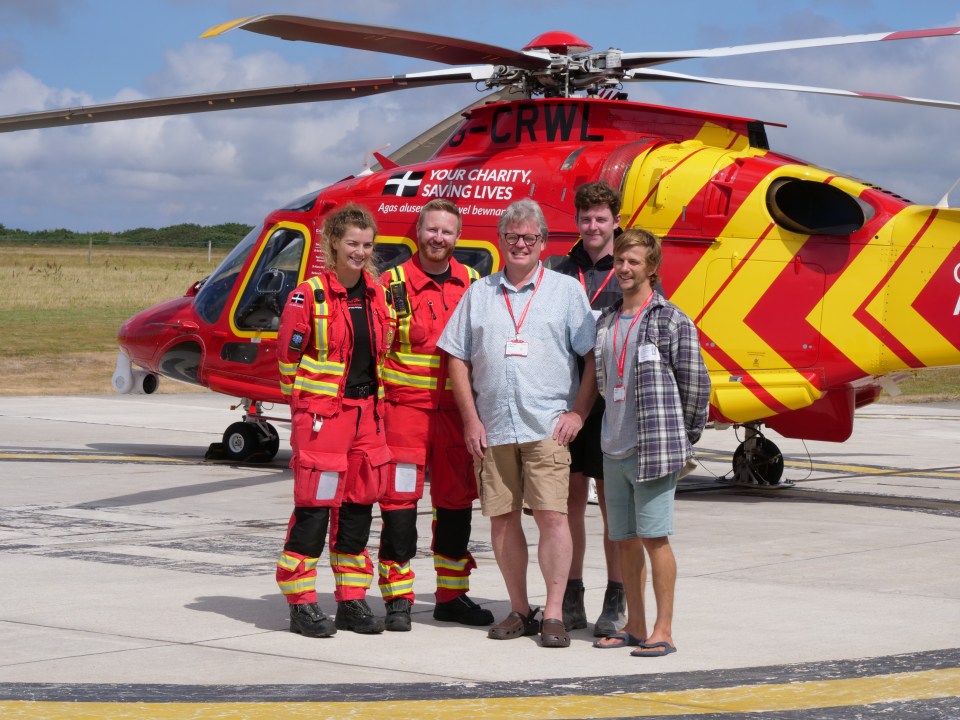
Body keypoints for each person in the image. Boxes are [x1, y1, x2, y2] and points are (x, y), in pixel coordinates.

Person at [438, 198, 597, 649]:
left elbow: (591, 358)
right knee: (503, 521)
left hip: (546, 426)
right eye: (513, 238)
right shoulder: (479, 293)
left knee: (553, 516)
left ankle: (552, 613)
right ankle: (519, 609)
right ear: (501, 241)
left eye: (530, 237)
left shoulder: (566, 291)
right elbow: (456, 358)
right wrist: (471, 420)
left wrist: (578, 414)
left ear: (543, 243)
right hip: (494, 428)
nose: (521, 244)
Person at [274, 203, 398, 638]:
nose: (360, 252)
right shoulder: (308, 295)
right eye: (352, 243)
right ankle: (302, 603)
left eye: (367, 244)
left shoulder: (379, 293)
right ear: (332, 244)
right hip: (325, 418)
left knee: (360, 507)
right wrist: (310, 408)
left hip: (368, 416)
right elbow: (287, 361)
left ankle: (350, 600)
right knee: (314, 509)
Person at [591, 228, 710, 656]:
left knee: (655, 538)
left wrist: (680, 438)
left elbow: (696, 386)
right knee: (623, 539)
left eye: (633, 262)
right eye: (620, 261)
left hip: (653, 448)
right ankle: (636, 625)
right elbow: (606, 383)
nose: (623, 268)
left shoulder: (670, 319)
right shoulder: (606, 320)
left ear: (652, 268)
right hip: (613, 446)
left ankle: (664, 629)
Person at [376, 198, 494, 631]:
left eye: (446, 231)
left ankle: (451, 595)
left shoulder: (475, 284)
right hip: (404, 415)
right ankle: (398, 598)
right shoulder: (390, 284)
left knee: (456, 505)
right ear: (418, 232)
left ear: (457, 237)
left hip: (456, 417)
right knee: (400, 505)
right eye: (431, 230)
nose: (438, 238)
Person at [550, 181, 626, 637]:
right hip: (570, 403)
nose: (593, 226)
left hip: (612, 406)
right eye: (585, 219)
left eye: (601, 218)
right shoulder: (561, 270)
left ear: (615, 221)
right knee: (569, 503)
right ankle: (572, 593)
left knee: (612, 507)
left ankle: (615, 597)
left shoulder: (629, 266)